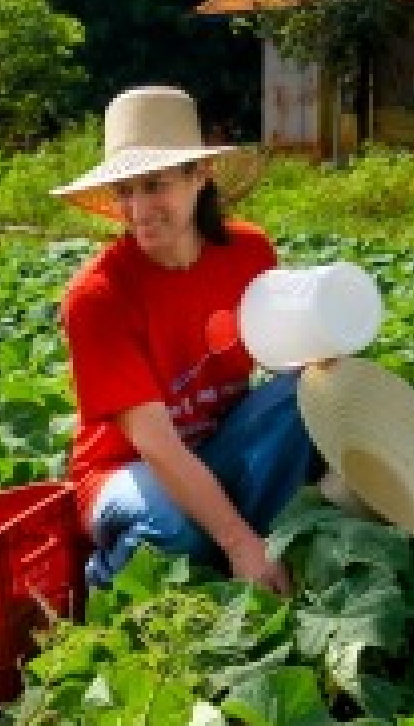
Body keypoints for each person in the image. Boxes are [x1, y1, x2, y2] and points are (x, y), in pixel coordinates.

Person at [52, 85, 318, 595]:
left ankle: (233, 546)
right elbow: (155, 444)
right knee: (173, 527)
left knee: (311, 391)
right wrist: (241, 543)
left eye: (154, 185)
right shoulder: (97, 295)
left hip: (217, 445)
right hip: (125, 467)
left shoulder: (248, 252)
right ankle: (103, 586)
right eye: (125, 191)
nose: (137, 208)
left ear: (201, 176)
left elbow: (290, 359)